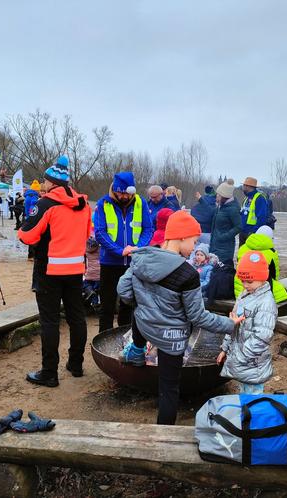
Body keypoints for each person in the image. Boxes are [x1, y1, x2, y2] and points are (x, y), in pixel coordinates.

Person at [117, 211, 242, 424]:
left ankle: (137, 350)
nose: (195, 248)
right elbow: (198, 317)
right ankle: (165, 434)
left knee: (139, 313)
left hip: (145, 326)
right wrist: (230, 324)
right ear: (182, 237)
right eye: (194, 241)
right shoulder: (188, 274)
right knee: (168, 389)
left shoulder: (141, 257)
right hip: (171, 339)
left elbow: (124, 292)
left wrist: (146, 306)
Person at [19, 155, 92, 387]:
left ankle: (49, 372)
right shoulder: (84, 205)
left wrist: (25, 229)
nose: (43, 185)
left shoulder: (45, 204)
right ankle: (76, 364)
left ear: (51, 182)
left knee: (49, 322)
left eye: (45, 181)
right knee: (77, 318)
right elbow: (87, 234)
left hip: (49, 269)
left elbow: (27, 235)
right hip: (76, 269)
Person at [94, 171, 154, 333]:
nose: (125, 197)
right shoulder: (103, 204)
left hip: (133, 262)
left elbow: (148, 230)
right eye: (121, 193)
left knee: (128, 305)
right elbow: (100, 232)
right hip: (110, 263)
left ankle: (126, 338)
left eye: (128, 193)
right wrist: (119, 251)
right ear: (115, 190)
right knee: (107, 305)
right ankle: (104, 338)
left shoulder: (141, 203)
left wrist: (137, 248)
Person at [217, 250, 277, 394]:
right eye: (242, 281)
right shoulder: (244, 296)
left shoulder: (266, 303)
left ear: (263, 278)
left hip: (253, 362)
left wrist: (241, 355)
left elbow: (262, 336)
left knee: (253, 397)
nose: (245, 285)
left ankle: (253, 415)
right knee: (244, 393)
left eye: (249, 281)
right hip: (241, 359)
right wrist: (225, 348)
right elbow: (232, 324)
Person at [234, 225, 287, 303]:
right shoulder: (271, 252)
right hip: (261, 294)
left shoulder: (242, 248)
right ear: (270, 238)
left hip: (240, 291)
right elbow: (275, 276)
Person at [209, 179, 241, 267]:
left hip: (225, 248)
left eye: (218, 195)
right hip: (215, 245)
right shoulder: (221, 207)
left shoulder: (233, 209)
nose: (216, 197)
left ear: (224, 196)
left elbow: (238, 227)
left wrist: (223, 237)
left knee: (222, 271)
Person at [239, 176, 269, 243]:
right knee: (242, 253)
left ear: (249, 187)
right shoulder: (246, 198)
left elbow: (262, 218)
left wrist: (253, 232)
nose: (243, 187)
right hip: (243, 232)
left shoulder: (259, 198)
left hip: (252, 233)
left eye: (244, 185)